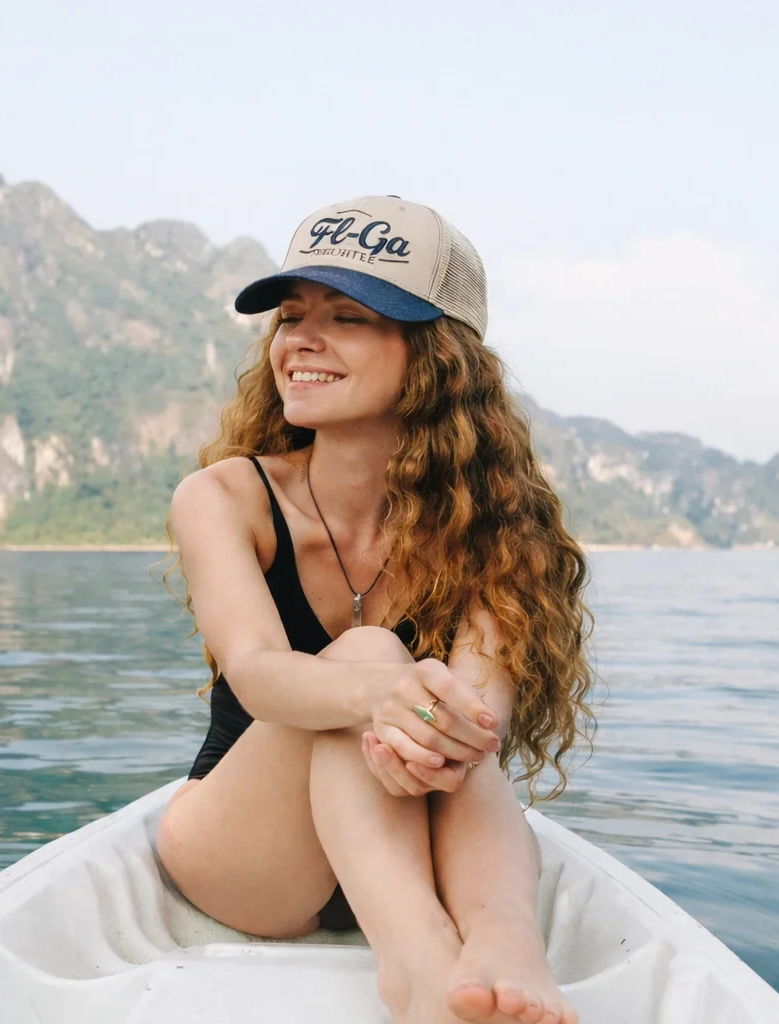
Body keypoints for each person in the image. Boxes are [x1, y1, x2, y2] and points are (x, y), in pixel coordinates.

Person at [156, 195, 592, 1024]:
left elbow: (478, 718)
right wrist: (382, 693)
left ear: (435, 356)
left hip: (418, 831)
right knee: (371, 659)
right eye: (291, 317)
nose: (301, 342)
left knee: (449, 714)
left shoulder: (501, 524)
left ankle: (503, 937)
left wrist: (425, 727)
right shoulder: (224, 497)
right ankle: (418, 966)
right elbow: (255, 675)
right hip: (250, 856)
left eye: (347, 316)